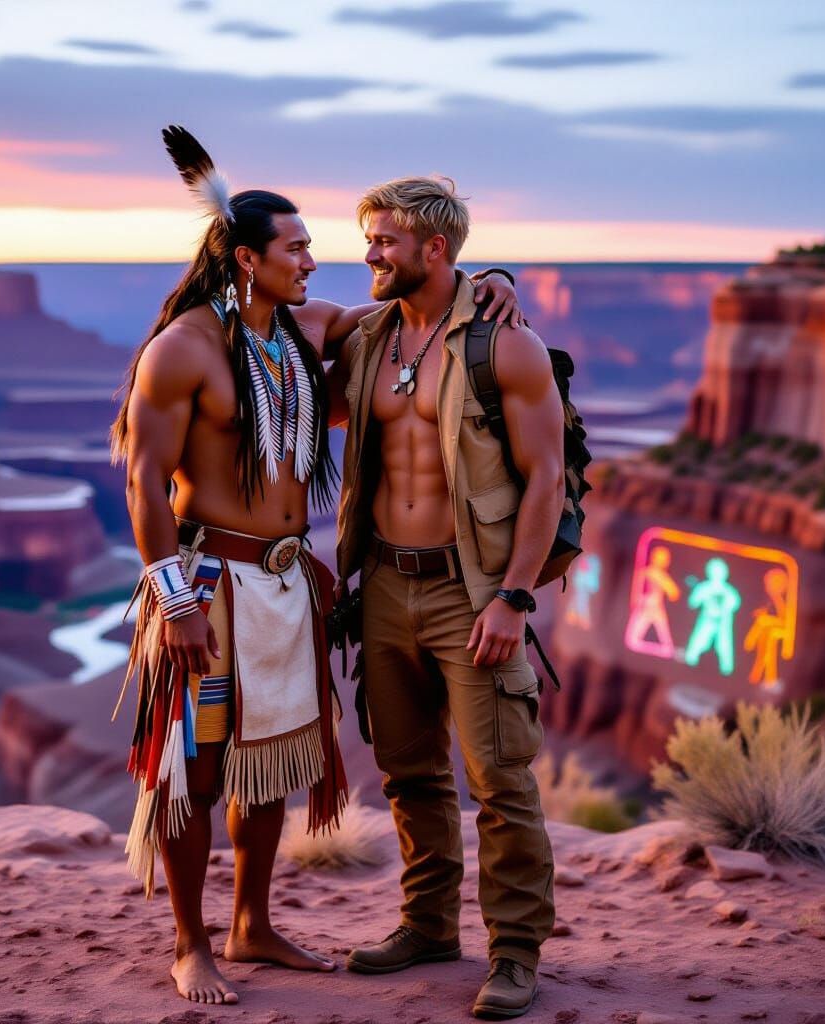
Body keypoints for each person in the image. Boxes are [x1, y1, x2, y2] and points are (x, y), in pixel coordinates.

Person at [109, 127, 523, 1007]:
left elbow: (414, 313)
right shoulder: (184, 348)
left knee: (268, 762)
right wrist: (172, 598)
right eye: (296, 248)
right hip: (208, 585)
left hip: (290, 580)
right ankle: (192, 943)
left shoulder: (306, 328)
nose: (313, 260)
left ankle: (250, 925)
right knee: (198, 763)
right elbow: (145, 482)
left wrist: (494, 281)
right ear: (247, 258)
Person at [334, 175, 565, 1020]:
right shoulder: (369, 339)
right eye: (368, 240)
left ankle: (514, 955)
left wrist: (513, 598)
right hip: (386, 585)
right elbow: (275, 337)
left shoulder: (506, 346)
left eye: (384, 242)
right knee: (409, 773)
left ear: (434, 249)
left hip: (473, 594)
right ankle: (428, 927)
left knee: (500, 780)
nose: (369, 255)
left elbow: (546, 480)